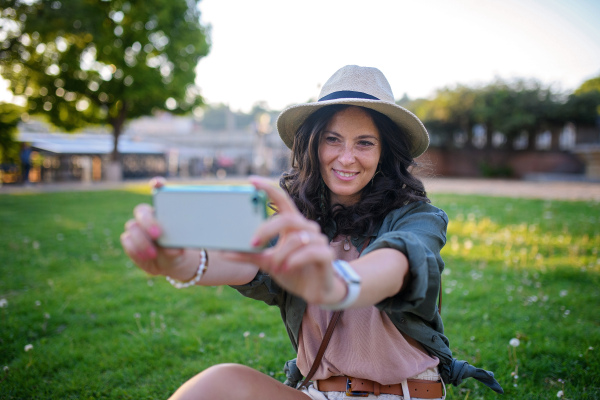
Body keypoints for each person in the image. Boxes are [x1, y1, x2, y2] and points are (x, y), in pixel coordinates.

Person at [120, 65, 503, 399]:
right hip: (320, 395)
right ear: (312, 144)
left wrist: (336, 283)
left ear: (385, 153)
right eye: (332, 139)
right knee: (220, 383)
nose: (346, 157)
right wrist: (180, 261)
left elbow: (397, 261)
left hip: (405, 395)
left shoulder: (418, 218)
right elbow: (248, 262)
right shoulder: (297, 223)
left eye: (364, 143)